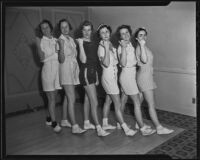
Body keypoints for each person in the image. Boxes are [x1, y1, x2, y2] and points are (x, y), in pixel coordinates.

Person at [97, 24, 137, 136]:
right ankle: (124, 127)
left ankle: (105, 123)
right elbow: (105, 63)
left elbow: (117, 61)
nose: (105, 34)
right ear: (99, 35)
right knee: (118, 103)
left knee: (108, 100)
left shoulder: (110, 44)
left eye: (107, 32)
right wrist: (105, 47)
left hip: (113, 76)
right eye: (102, 32)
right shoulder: (101, 46)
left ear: (110, 33)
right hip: (108, 76)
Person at [117, 25, 156, 136]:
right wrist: (123, 48)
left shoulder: (130, 45)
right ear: (120, 36)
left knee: (123, 100)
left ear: (130, 33)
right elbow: (123, 63)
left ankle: (120, 123)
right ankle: (142, 128)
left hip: (131, 74)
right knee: (137, 103)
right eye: (122, 33)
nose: (125, 35)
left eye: (127, 32)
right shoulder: (122, 47)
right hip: (127, 76)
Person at [133, 27, 174, 134]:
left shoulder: (144, 47)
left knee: (139, 102)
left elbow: (147, 63)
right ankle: (159, 128)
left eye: (144, 35)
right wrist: (141, 45)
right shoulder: (140, 47)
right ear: (136, 37)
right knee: (151, 105)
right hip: (145, 78)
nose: (143, 37)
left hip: (145, 76)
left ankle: (138, 122)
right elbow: (144, 60)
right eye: (140, 35)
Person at [76, 20, 110, 136]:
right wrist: (80, 45)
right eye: (84, 30)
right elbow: (83, 60)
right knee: (94, 102)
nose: (86, 32)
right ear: (82, 31)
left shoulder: (93, 42)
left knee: (87, 99)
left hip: (92, 73)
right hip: (85, 73)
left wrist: (96, 76)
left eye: (89, 30)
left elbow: (94, 62)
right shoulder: (81, 42)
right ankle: (99, 128)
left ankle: (86, 122)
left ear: (92, 31)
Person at [57, 19, 86, 134]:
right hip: (65, 69)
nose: (64, 29)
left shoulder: (71, 39)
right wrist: (61, 46)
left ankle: (64, 120)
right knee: (71, 98)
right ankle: (74, 126)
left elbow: (74, 56)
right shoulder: (60, 40)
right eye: (62, 27)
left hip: (73, 69)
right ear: (60, 29)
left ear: (69, 27)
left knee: (67, 97)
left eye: (66, 26)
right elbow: (61, 59)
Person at [35, 19, 62, 133]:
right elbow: (42, 58)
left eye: (47, 27)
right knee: (51, 99)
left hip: (57, 71)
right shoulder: (40, 41)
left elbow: (61, 57)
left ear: (51, 27)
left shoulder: (57, 40)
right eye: (43, 28)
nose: (45, 29)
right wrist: (54, 53)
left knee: (54, 98)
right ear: (41, 30)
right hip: (47, 71)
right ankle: (54, 123)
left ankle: (49, 118)